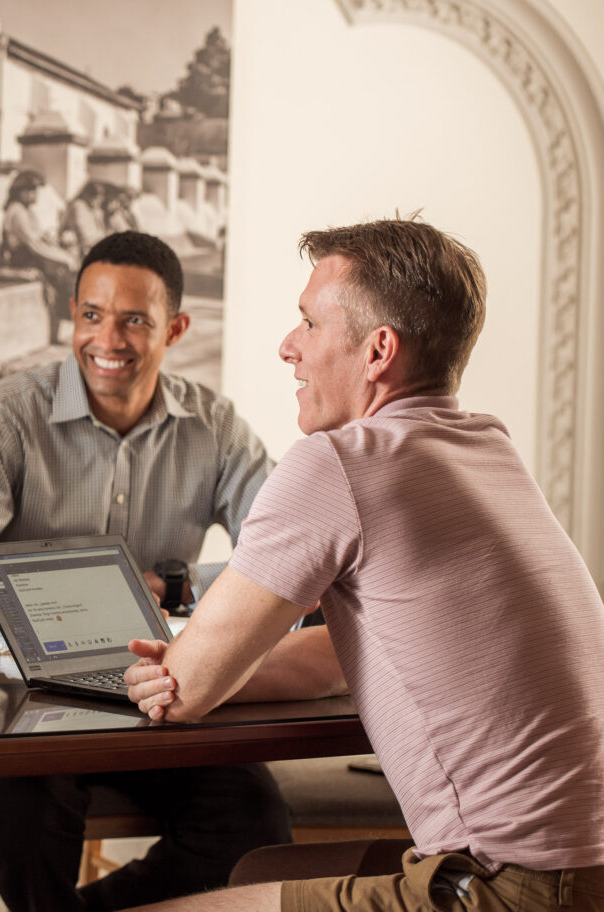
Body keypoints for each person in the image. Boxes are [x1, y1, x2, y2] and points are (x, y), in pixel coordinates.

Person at [123, 217, 604, 912]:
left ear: (378, 351)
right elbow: (334, 661)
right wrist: (197, 667)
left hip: (511, 885)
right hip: (583, 871)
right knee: (257, 868)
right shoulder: (484, 448)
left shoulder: (340, 464)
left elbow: (186, 691)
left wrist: (180, 669)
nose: (288, 346)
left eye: (309, 323)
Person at [0, 230, 290, 912]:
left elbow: (284, 560)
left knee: (250, 818)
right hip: (20, 699)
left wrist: (177, 586)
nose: (107, 340)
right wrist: (58, 604)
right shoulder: (2, 418)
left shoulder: (215, 427)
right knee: (22, 818)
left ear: (175, 329)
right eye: (91, 315)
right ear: (72, 314)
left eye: (134, 320)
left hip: (159, 693)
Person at [2, 169, 80, 344]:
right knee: (63, 274)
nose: (34, 194)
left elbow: (40, 239)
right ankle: (67, 324)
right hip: (23, 257)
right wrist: (62, 259)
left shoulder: (27, 211)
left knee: (68, 272)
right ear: (19, 192)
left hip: (34, 254)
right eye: (30, 190)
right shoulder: (16, 212)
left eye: (35, 190)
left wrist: (64, 254)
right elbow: (33, 243)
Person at [61, 180, 108, 262]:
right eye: (96, 198)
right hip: (76, 249)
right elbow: (84, 233)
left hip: (90, 246)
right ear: (87, 195)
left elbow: (100, 232)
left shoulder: (94, 209)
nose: (99, 201)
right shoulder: (78, 206)